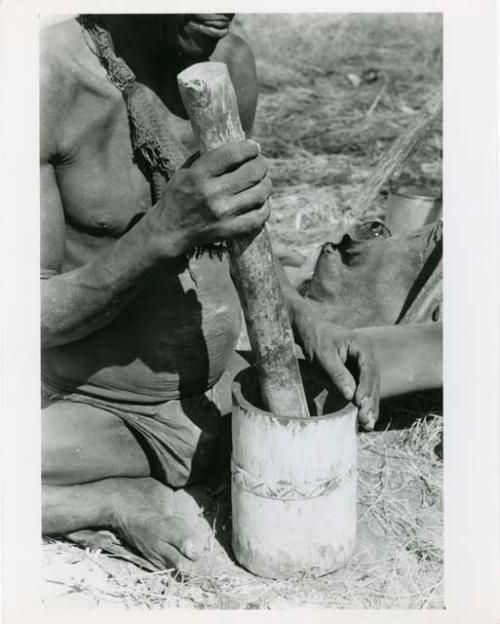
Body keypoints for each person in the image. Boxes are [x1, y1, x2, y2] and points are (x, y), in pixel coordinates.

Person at [41, 14, 379, 572]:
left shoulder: (229, 62)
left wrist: (305, 318)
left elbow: (236, 233)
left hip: (227, 393)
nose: (222, 10)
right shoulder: (45, 76)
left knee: (431, 352)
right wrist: (163, 231)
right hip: (104, 414)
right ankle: (106, 496)